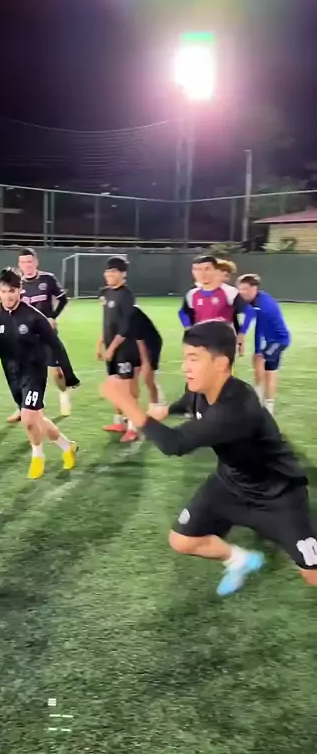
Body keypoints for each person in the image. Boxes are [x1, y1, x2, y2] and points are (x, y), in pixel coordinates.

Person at [101, 320, 317, 594]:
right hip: (230, 484)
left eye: (194, 358)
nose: (185, 367)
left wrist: (125, 401)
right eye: (185, 358)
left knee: (312, 574)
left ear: (221, 363)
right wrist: (167, 410)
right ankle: (239, 560)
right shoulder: (201, 390)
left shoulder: (236, 408)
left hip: (278, 496)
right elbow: (189, 403)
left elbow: (175, 444)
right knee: (182, 540)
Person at [0, 268, 80, 480]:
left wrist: (69, 374)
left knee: (28, 419)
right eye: (4, 291)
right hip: (13, 376)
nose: (8, 296)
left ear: (20, 290)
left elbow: (56, 345)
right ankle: (68, 447)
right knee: (37, 419)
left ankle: (37, 457)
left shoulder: (33, 317)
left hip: (35, 372)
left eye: (12, 291)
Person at [7, 247, 73, 423]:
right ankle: (22, 408)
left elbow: (63, 299)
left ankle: (63, 393)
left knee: (57, 373)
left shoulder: (47, 279)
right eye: (23, 262)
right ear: (19, 264)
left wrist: (53, 317)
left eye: (30, 261)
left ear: (36, 262)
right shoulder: (15, 283)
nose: (27, 265)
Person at [97, 256, 141, 443]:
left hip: (125, 349)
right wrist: (100, 344)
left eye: (113, 271)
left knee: (126, 389)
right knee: (115, 386)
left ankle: (133, 427)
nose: (109, 275)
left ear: (123, 274)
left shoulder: (126, 296)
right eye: (107, 271)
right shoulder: (107, 293)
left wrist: (112, 348)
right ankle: (119, 422)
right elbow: (107, 323)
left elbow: (125, 328)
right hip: (111, 348)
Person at [178, 254, 253, 356]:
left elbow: (250, 312)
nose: (202, 273)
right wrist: (188, 327)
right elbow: (183, 312)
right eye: (197, 269)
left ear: (216, 270)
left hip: (223, 341)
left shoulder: (229, 292)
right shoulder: (192, 294)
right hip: (200, 340)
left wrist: (241, 334)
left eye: (207, 269)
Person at [237, 274, 291, 416]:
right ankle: (262, 399)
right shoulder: (255, 300)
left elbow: (259, 330)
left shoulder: (264, 305)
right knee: (264, 365)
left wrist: (257, 351)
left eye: (245, 289)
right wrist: (241, 334)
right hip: (271, 340)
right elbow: (249, 316)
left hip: (279, 340)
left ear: (255, 288)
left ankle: (264, 402)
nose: (242, 292)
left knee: (264, 364)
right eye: (240, 289)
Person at [131, 305, 165, 410]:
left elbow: (139, 339)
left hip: (150, 342)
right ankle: (132, 408)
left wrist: (145, 361)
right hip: (134, 342)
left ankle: (155, 404)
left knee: (147, 376)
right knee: (132, 375)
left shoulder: (132, 313)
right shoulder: (114, 312)